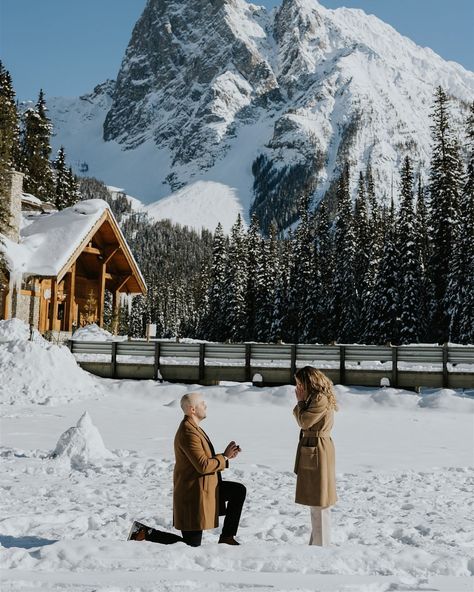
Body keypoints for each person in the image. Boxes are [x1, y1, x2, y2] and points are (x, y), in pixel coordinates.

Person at [129, 392, 246, 546]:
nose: (205, 406)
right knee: (189, 546)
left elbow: (201, 460)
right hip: (193, 495)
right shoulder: (188, 432)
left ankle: (227, 537)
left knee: (237, 491)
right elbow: (203, 465)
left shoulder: (194, 429)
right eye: (202, 404)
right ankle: (144, 533)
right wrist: (224, 457)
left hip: (204, 488)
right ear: (192, 409)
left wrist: (226, 456)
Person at [293, 366, 338, 546]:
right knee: (316, 501)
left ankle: (321, 547)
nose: (297, 388)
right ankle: (316, 544)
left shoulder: (319, 399)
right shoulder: (315, 397)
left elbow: (304, 422)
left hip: (317, 449)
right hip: (315, 447)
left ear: (307, 382)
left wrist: (301, 403)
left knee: (319, 501)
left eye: (299, 383)